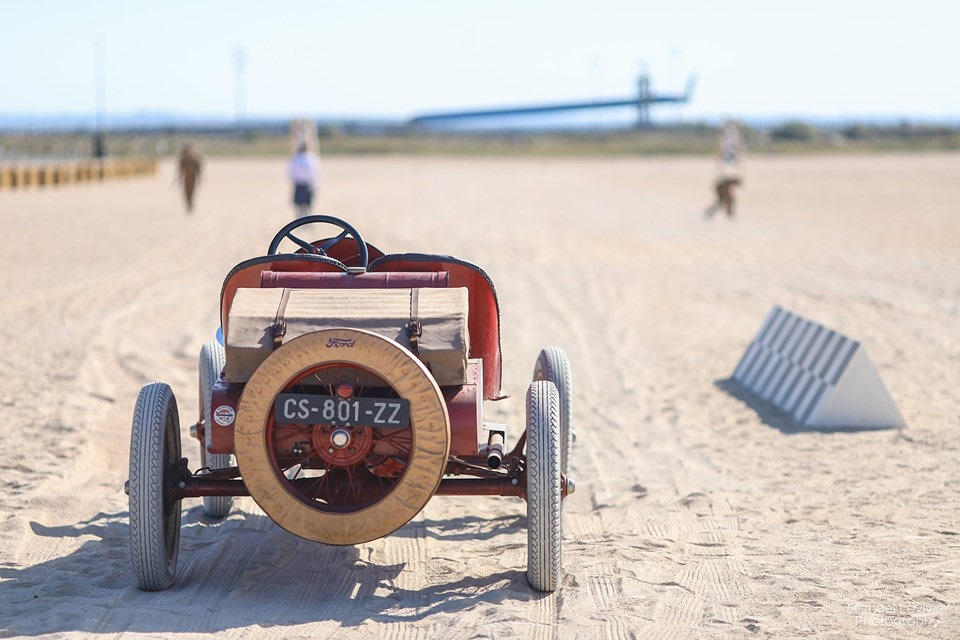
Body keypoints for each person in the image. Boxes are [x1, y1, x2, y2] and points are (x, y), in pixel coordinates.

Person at [705, 120, 743, 219]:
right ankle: (718, 213)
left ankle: (727, 213)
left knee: (727, 201)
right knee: (723, 201)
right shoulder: (726, 183)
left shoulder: (728, 182)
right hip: (719, 187)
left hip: (720, 186)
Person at [288, 143, 320, 217]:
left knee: (298, 204)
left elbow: (290, 173)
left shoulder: (295, 158)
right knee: (308, 205)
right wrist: (315, 186)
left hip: (298, 184)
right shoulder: (312, 158)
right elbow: (315, 174)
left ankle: (299, 219)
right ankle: (308, 219)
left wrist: (293, 183)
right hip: (307, 184)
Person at [177, 144, 202, 213]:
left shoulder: (195, 160)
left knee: (192, 192)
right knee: (186, 193)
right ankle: (188, 205)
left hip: (193, 179)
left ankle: (190, 204)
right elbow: (180, 170)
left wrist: (200, 179)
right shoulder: (183, 160)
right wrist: (179, 179)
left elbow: (198, 170)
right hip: (186, 179)